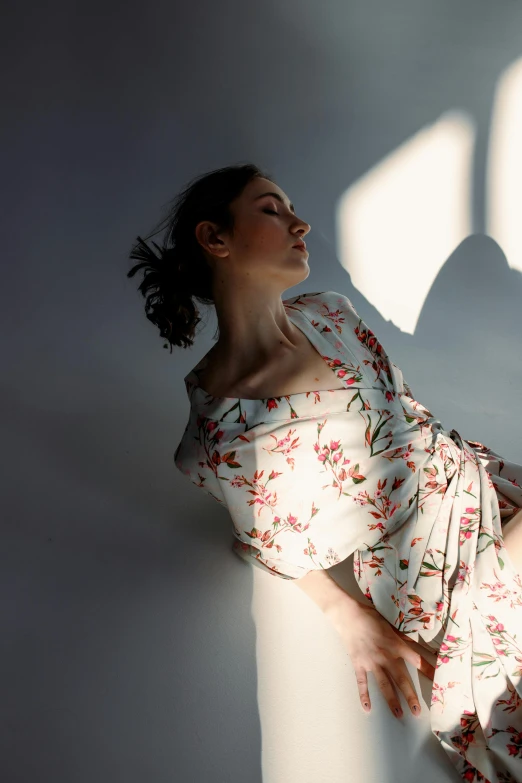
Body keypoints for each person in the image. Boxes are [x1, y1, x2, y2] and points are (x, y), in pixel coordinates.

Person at [127, 163, 522, 782]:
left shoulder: (331, 314)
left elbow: (408, 418)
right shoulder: (222, 431)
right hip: (428, 565)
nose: (299, 221)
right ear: (214, 238)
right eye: (271, 209)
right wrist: (349, 615)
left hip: (478, 482)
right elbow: (261, 541)